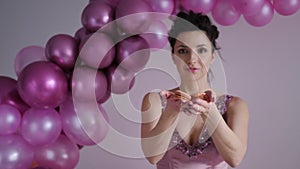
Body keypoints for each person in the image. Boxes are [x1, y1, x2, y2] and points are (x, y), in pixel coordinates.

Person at [141, 11, 249, 169]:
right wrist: (171, 111)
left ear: (213, 56)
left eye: (202, 50)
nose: (192, 59)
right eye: (183, 51)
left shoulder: (235, 106)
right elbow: (152, 156)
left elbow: (235, 159)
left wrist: (210, 112)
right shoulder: (155, 101)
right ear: (173, 56)